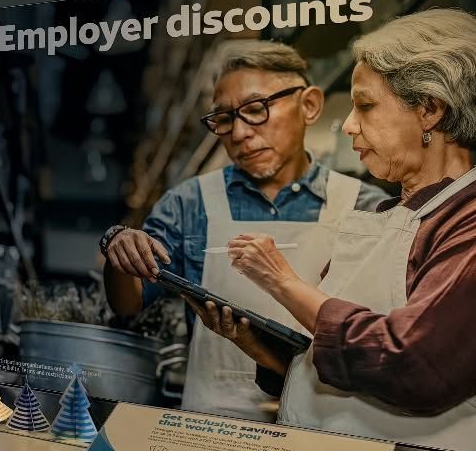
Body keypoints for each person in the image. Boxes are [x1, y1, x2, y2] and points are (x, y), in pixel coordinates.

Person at [205, 8, 476, 450]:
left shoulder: (466, 222)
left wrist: (283, 282)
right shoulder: (392, 217)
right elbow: (340, 361)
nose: (347, 124)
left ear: (430, 109)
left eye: (365, 105)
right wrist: (269, 353)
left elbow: (412, 362)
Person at [102, 41, 382, 419]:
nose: (238, 132)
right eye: (224, 119)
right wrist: (119, 251)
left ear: (309, 105)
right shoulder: (189, 204)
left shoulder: (365, 207)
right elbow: (128, 303)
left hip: (323, 424)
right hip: (214, 424)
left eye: (255, 109)